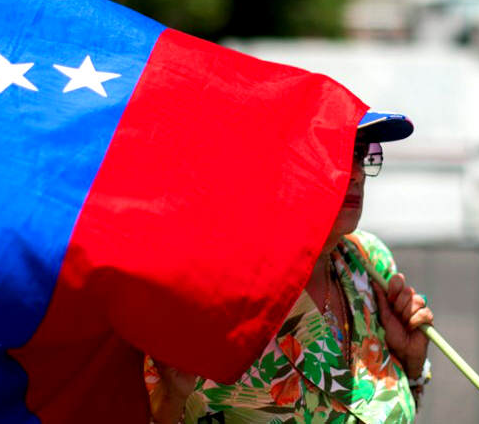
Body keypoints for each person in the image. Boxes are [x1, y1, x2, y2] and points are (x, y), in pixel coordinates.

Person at [146, 111, 434, 424]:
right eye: (338, 153)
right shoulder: (209, 281)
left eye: (362, 155)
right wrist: (171, 398)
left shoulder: (368, 258)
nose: (357, 174)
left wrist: (412, 363)